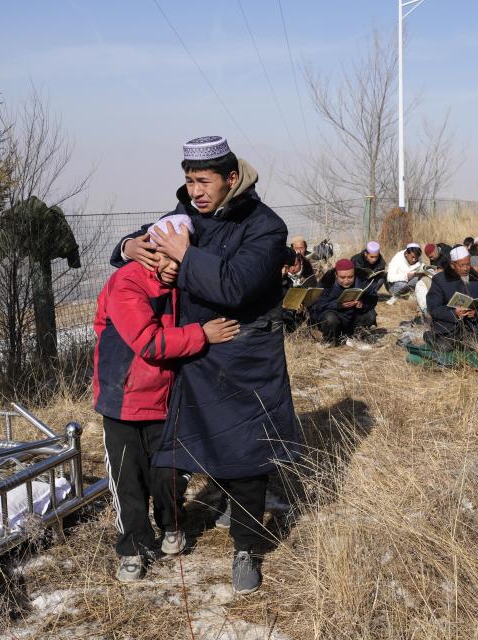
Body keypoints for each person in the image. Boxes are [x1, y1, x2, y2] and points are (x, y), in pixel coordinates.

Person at [120, 136, 300, 594]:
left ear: (231, 179)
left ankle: (247, 546)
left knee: (247, 455)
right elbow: (143, 246)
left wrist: (183, 256)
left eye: (204, 182)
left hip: (246, 354)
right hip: (195, 354)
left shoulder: (265, 227)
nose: (195, 191)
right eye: (188, 181)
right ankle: (209, 507)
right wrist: (128, 247)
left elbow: (237, 286)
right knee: (201, 447)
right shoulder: (182, 218)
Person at [95, 215, 240, 582]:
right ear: (149, 252)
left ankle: (172, 525)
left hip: (167, 397)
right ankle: (134, 547)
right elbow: (148, 341)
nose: (173, 268)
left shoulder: (184, 284)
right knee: (128, 478)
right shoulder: (126, 283)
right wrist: (201, 335)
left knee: (169, 474)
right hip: (123, 400)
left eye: (180, 259)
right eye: (165, 257)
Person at [425, 245, 478, 353]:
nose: (466, 268)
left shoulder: (476, 277)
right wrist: (454, 313)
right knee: (444, 348)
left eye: (468, 264)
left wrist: (475, 313)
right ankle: (429, 336)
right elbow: (434, 308)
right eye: (461, 265)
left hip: (471, 327)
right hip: (448, 327)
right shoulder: (440, 280)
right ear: (452, 265)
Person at [311, 258, 378, 346]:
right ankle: (331, 339)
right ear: (336, 275)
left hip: (354, 318)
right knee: (329, 318)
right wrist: (338, 305)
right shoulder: (327, 283)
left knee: (371, 314)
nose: (346, 281)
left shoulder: (362, 280)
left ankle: (357, 336)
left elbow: (373, 299)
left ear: (354, 274)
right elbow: (318, 306)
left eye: (350, 277)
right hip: (336, 318)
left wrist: (362, 304)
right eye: (342, 277)